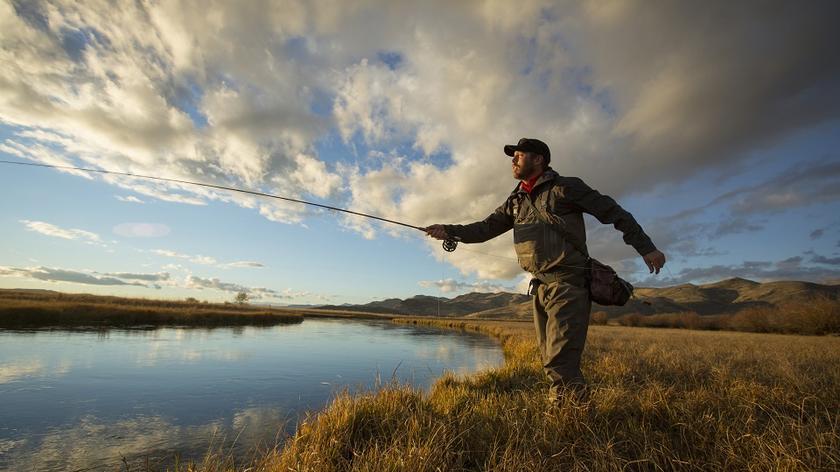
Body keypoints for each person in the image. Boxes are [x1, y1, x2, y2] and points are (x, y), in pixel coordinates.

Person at [425, 138, 665, 403]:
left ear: (538, 159)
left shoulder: (566, 187)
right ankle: (575, 413)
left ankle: (568, 422)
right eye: (512, 156)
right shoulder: (515, 200)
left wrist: (646, 248)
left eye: (519, 155)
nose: (513, 160)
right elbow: (484, 228)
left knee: (559, 362)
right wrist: (448, 230)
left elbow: (613, 212)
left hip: (568, 285)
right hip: (540, 288)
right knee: (549, 357)